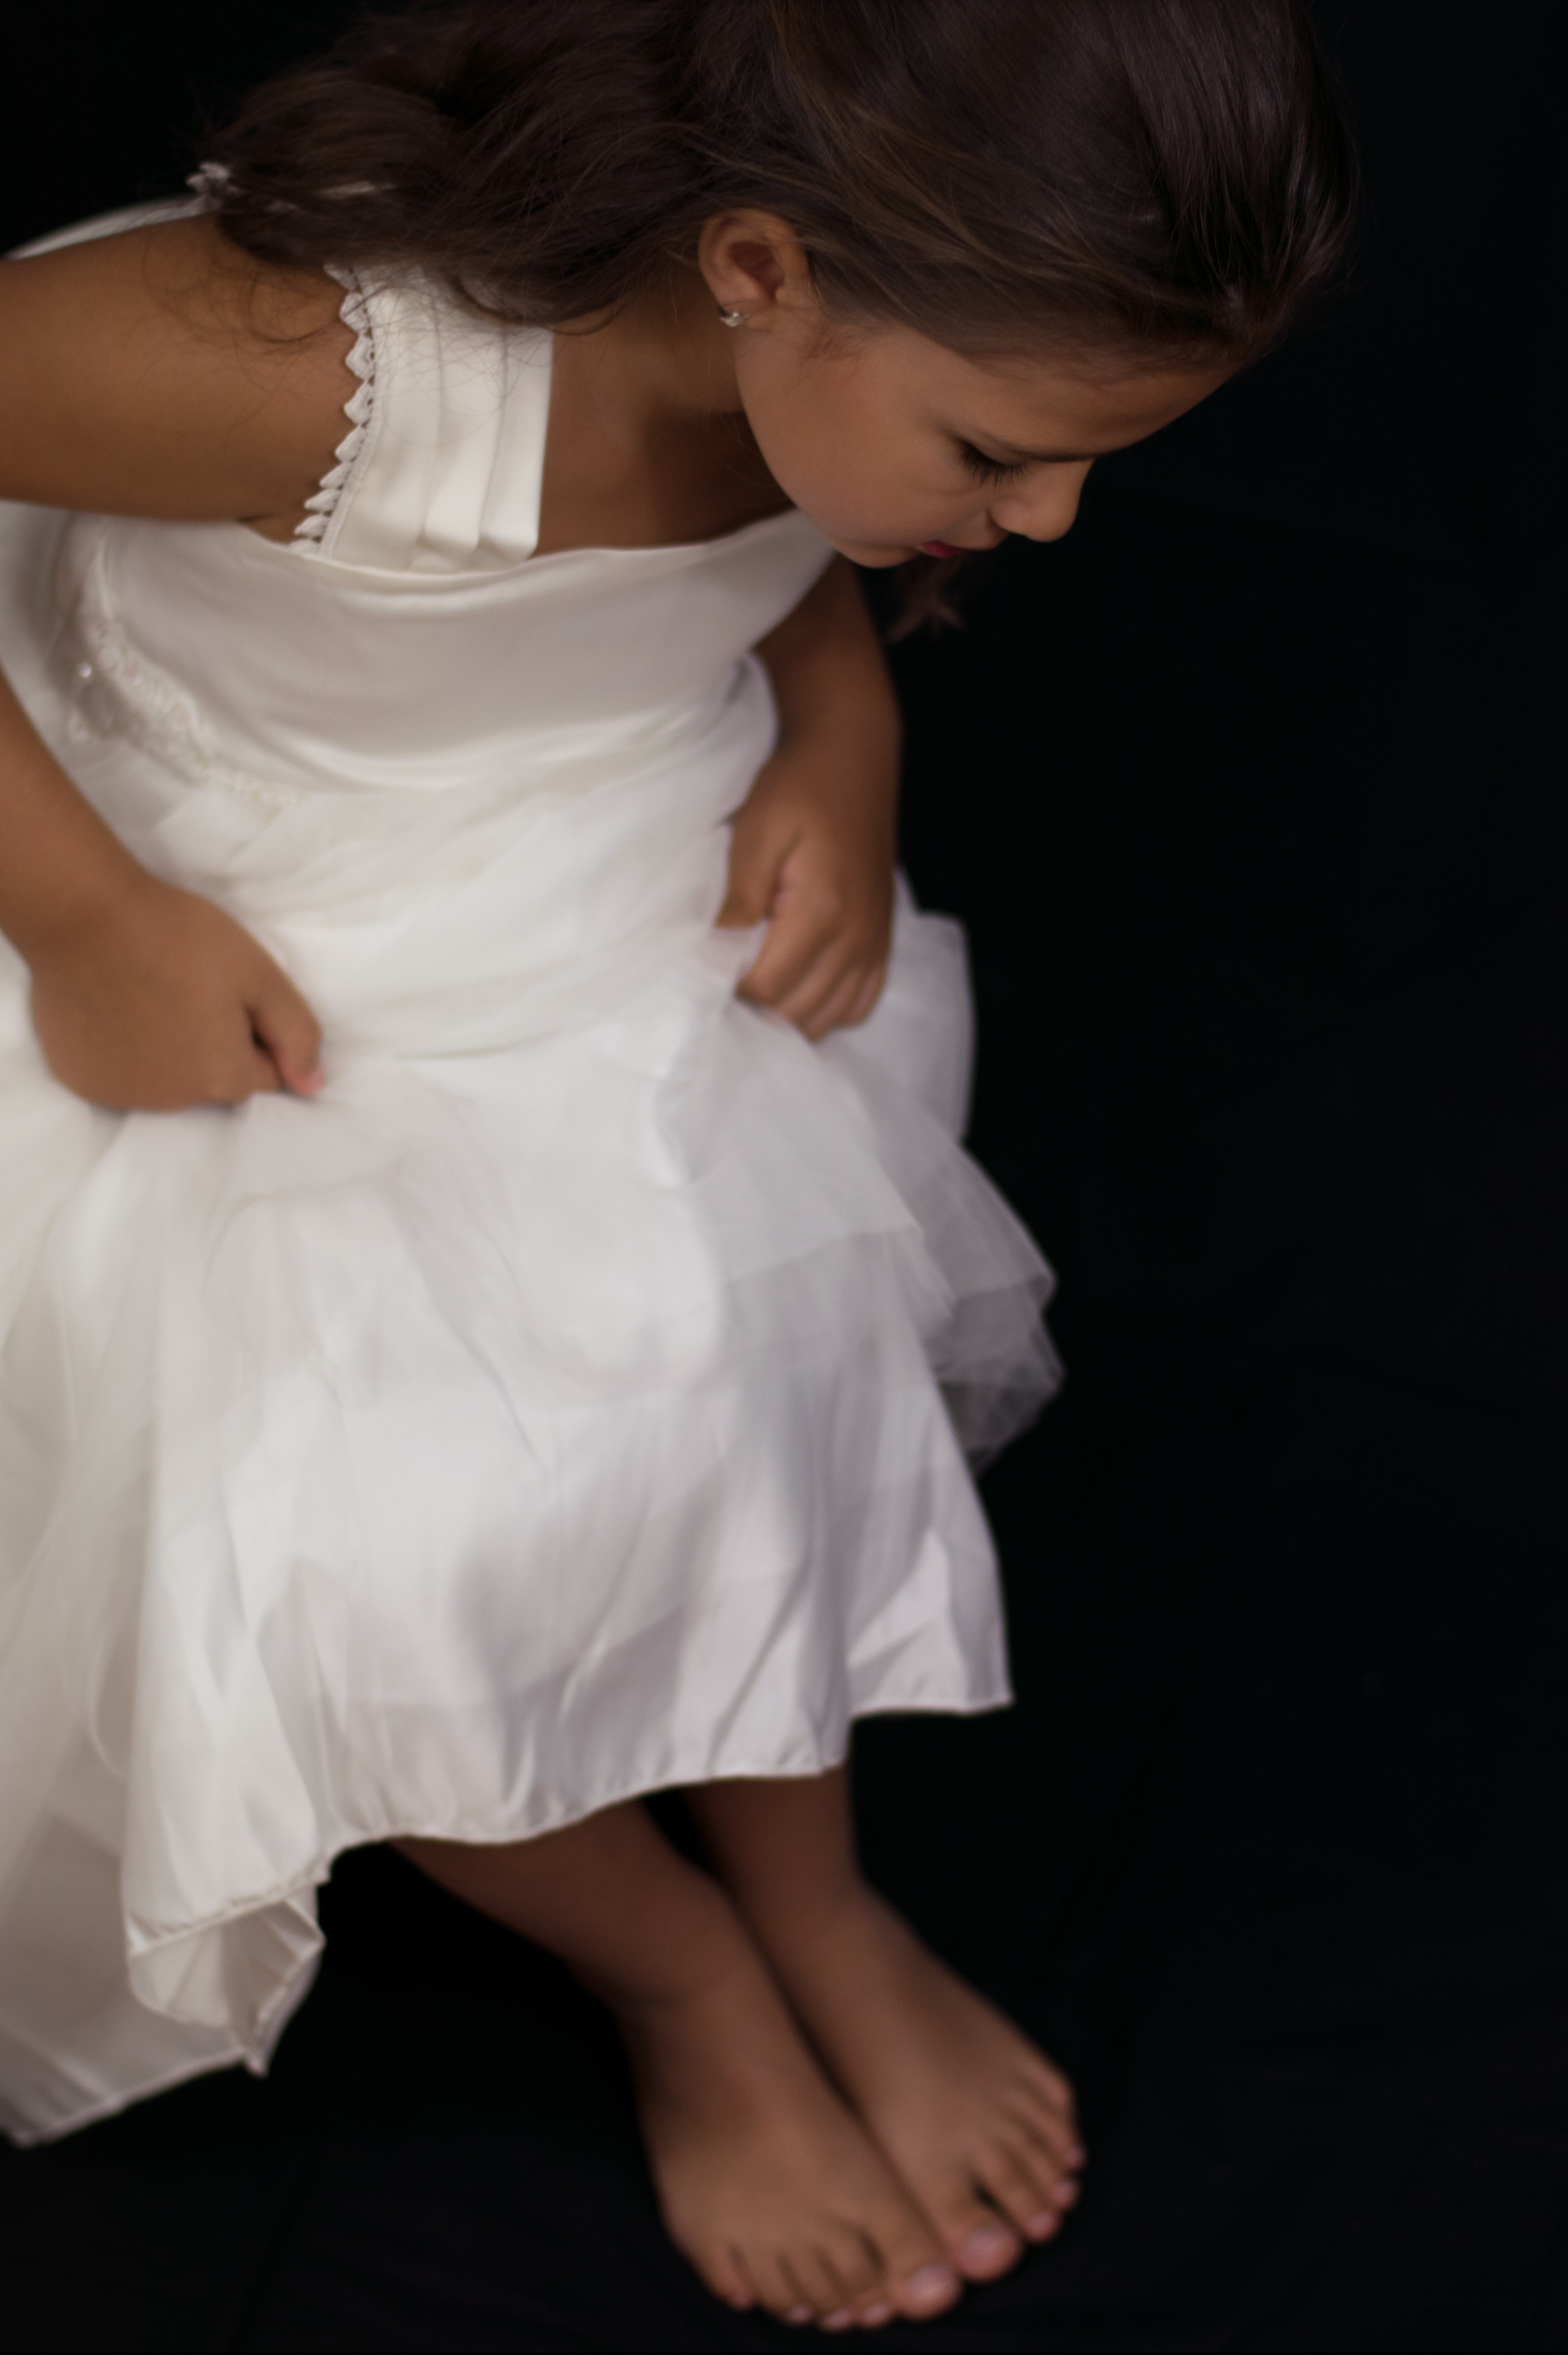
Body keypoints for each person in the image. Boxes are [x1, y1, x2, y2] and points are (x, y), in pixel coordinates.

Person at [0, 0, 1353, 2330]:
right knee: (394, 1548)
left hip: (585, 867)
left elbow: (756, 526)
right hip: (230, 907)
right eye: (1008, 453)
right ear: (757, 264)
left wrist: (847, 720)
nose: (1048, 525)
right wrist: (88, 913)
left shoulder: (791, 350)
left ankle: (821, 1894)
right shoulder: (297, 369)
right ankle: (686, 1974)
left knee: (754, 1362)